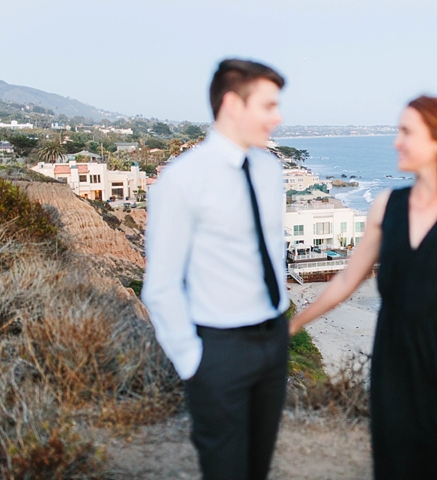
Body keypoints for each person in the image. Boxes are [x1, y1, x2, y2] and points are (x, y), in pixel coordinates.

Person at [289, 96, 437, 479]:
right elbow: (345, 279)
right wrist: (290, 326)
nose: (397, 142)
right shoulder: (385, 206)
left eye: (407, 132)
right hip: (394, 363)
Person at [142, 58, 289, 480]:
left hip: (273, 339)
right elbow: (161, 285)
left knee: (257, 467)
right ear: (231, 104)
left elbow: (270, 251)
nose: (278, 118)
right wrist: (193, 363)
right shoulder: (182, 179)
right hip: (219, 350)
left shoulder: (270, 169)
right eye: (268, 106)